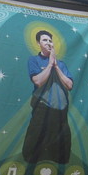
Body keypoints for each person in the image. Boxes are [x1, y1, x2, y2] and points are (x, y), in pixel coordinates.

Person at [22, 30, 73, 165]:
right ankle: (31, 162)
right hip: (42, 106)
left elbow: (69, 85)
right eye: (45, 40)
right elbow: (38, 81)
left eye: (50, 41)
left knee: (61, 137)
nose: (48, 43)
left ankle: (60, 161)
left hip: (61, 108)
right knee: (37, 133)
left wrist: (56, 66)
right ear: (38, 43)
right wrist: (49, 64)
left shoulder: (61, 64)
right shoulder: (34, 60)